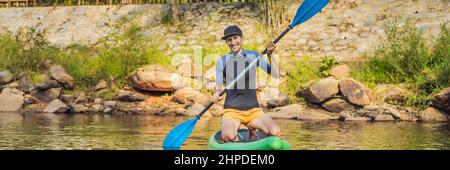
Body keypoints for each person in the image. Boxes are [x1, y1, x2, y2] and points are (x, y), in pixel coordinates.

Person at [211, 25, 281, 142]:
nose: (233, 42)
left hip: (253, 110)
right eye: (229, 40)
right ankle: (239, 135)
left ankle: (251, 129)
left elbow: (275, 74)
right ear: (226, 42)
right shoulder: (222, 61)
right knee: (228, 136)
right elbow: (218, 86)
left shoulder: (253, 56)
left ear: (242, 38)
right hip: (231, 111)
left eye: (235, 38)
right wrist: (215, 93)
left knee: (275, 132)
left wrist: (270, 55)